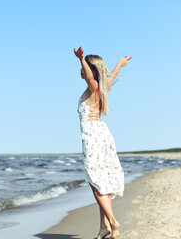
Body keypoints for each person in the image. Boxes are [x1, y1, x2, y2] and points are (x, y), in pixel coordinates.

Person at [74, 46, 131, 239]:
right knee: (102, 182)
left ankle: (113, 222)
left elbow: (91, 78)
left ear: (92, 70)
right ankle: (103, 228)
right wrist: (119, 65)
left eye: (84, 69)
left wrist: (81, 59)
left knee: (96, 182)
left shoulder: (94, 87)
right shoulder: (102, 87)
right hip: (103, 135)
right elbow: (111, 77)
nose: (81, 72)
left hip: (93, 137)